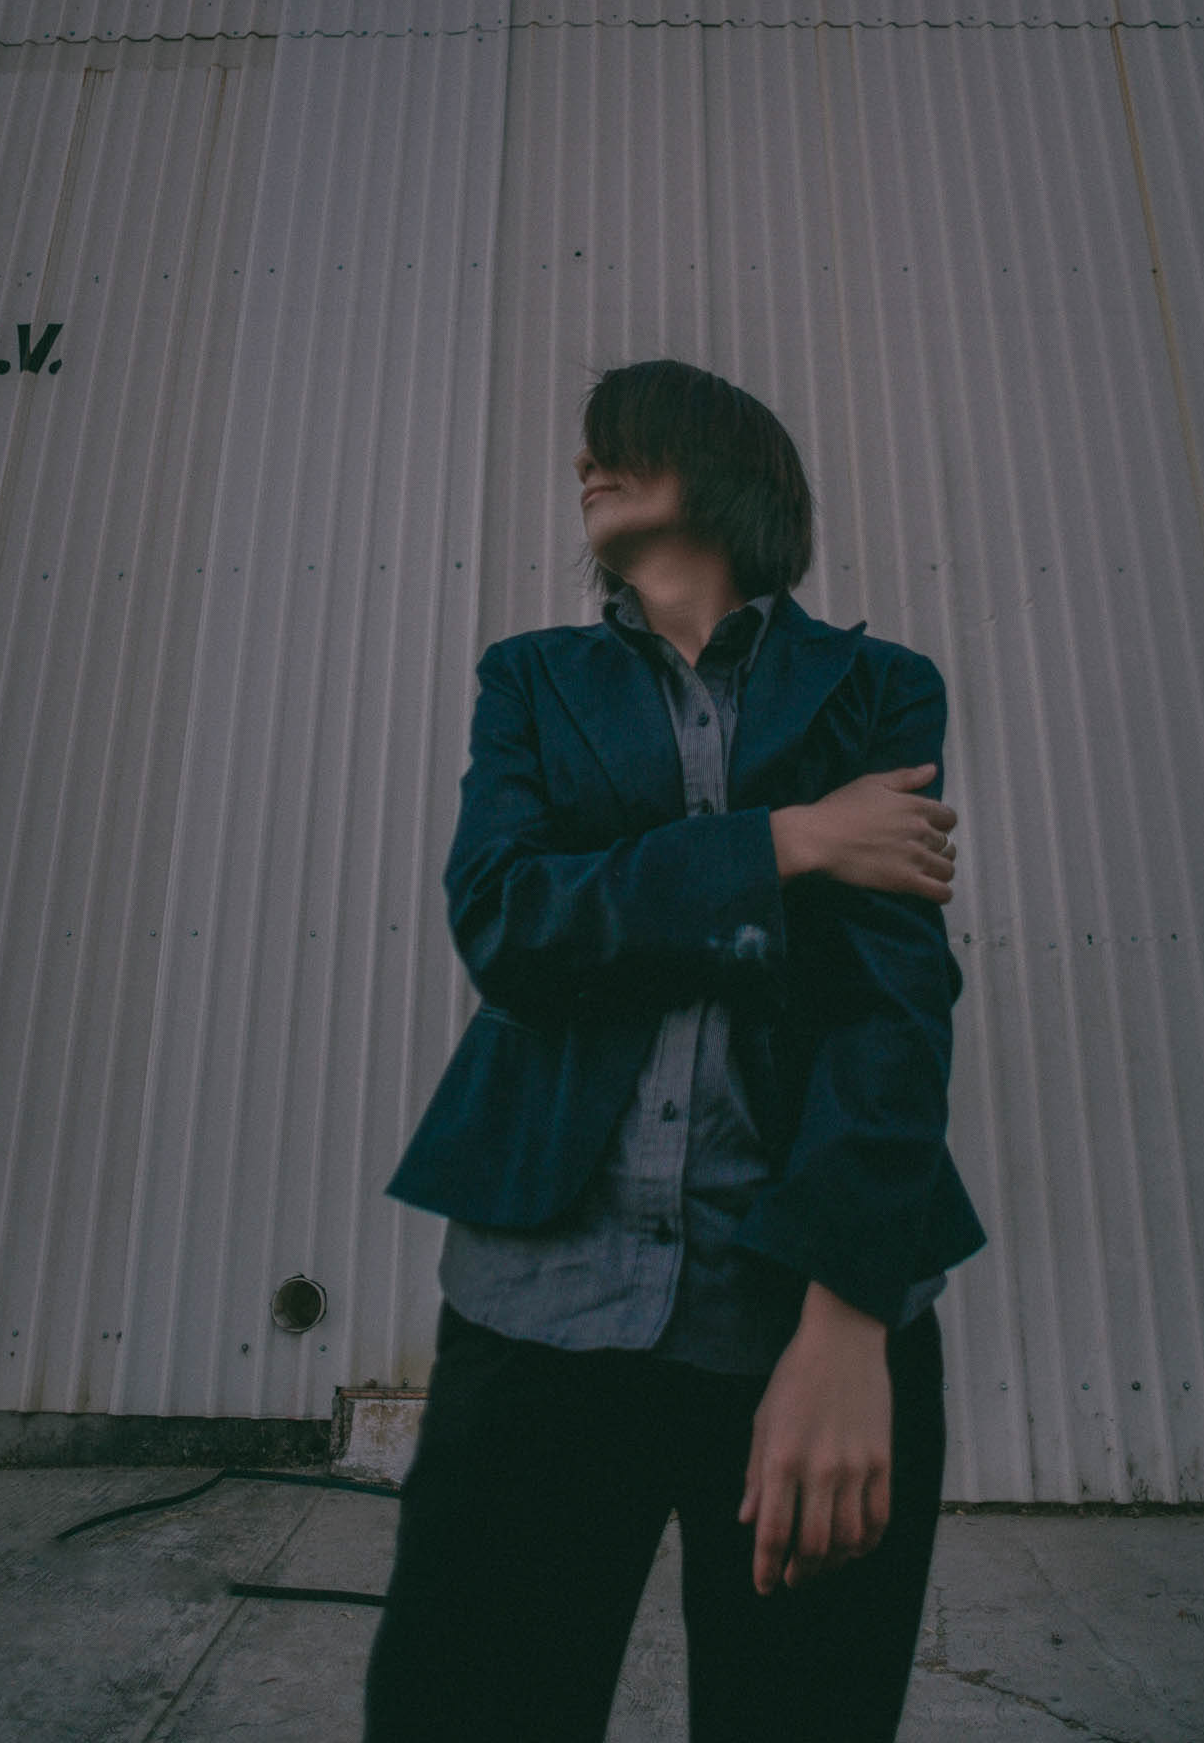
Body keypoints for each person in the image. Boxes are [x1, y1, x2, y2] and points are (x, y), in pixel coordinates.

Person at [365, 359, 985, 1743]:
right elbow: (509, 921)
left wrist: (848, 1316)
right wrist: (790, 841)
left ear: (727, 465)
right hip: (541, 1302)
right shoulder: (533, 679)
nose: (588, 464)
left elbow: (894, 999)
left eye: (624, 441)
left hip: (805, 1315)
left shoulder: (881, 688)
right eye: (586, 451)